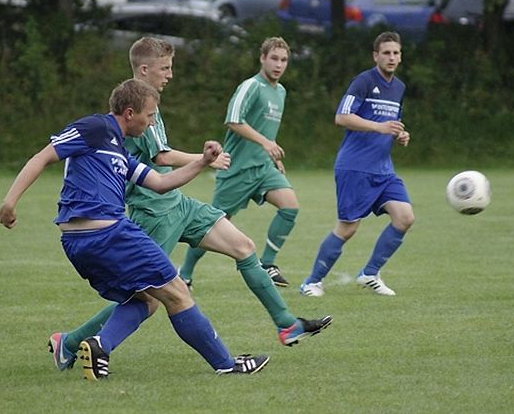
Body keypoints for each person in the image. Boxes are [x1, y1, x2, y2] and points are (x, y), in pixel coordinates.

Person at [46, 37, 331, 373]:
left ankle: (286, 323)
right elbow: (160, 156)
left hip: (177, 203)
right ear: (144, 69)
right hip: (153, 212)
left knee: (243, 246)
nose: (170, 74)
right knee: (149, 298)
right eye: (165, 68)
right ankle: (72, 341)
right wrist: (205, 158)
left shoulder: (150, 104)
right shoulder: (133, 110)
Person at [0, 79, 269, 380]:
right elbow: (43, 156)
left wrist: (203, 161)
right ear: (129, 113)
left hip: (79, 243)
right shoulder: (95, 128)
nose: (152, 122)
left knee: (145, 299)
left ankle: (99, 345)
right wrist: (10, 202)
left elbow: (161, 183)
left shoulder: (120, 151)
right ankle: (226, 364)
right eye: (150, 116)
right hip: (108, 233)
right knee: (178, 292)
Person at [300, 31, 414, 297]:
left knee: (405, 217)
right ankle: (311, 282)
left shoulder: (399, 88)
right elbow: (342, 117)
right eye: (386, 52)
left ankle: (370, 273)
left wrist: (400, 134)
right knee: (348, 228)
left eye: (396, 53)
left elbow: (389, 124)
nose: (391, 57)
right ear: (376, 56)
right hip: (355, 166)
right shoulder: (363, 81)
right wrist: (378, 127)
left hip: (383, 169)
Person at [179, 37, 300, 287]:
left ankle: (268, 264)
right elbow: (233, 120)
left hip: (263, 167)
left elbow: (267, 130)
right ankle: (185, 274)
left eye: (284, 60)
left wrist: (271, 154)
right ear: (262, 58)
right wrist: (266, 143)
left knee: (290, 206)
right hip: (237, 168)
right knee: (214, 224)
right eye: (274, 58)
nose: (279, 65)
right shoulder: (251, 86)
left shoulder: (281, 92)